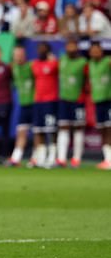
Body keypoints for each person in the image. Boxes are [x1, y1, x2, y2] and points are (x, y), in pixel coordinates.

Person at [56, 39, 87, 168]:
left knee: (78, 128)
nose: (71, 49)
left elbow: (88, 80)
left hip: (78, 100)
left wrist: (83, 94)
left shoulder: (83, 62)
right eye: (69, 46)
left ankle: (76, 158)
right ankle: (61, 158)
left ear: (77, 48)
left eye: (73, 46)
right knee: (63, 127)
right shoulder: (62, 60)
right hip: (64, 99)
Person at [30, 42, 59, 168]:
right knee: (38, 130)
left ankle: (52, 157)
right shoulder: (34, 64)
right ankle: (41, 158)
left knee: (51, 130)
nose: (40, 51)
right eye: (39, 49)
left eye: (43, 49)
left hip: (50, 101)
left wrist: (54, 59)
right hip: (38, 101)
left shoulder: (54, 64)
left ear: (48, 51)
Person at [8, 46, 35, 166]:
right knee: (21, 132)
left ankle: (36, 158)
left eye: (20, 55)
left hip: (35, 103)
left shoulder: (31, 66)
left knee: (38, 133)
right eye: (16, 55)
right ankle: (16, 158)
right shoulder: (14, 69)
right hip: (23, 104)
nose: (18, 57)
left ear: (24, 55)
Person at [87, 42, 111, 170]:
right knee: (102, 130)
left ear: (102, 52)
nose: (95, 53)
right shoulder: (90, 64)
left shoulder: (107, 61)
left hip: (109, 99)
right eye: (93, 51)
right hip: (98, 100)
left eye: (97, 51)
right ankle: (108, 159)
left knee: (109, 129)